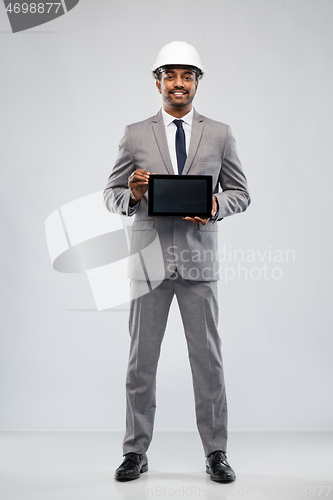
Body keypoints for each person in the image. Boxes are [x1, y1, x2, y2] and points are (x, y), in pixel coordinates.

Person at [103, 41, 251, 483]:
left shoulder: (220, 133)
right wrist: (131, 194)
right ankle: (135, 452)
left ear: (197, 82)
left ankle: (216, 452)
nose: (179, 83)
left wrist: (214, 205)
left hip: (199, 265)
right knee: (140, 363)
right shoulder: (134, 134)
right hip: (148, 266)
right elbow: (110, 195)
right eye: (170, 75)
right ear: (158, 82)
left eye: (187, 76)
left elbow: (241, 193)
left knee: (208, 362)